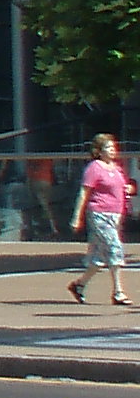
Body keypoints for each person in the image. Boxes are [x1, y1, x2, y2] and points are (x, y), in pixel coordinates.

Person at [69, 132, 128, 309]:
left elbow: (122, 189)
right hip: (99, 214)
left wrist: (129, 189)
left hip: (115, 215)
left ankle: (79, 285)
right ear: (99, 151)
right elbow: (84, 192)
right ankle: (118, 292)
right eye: (108, 147)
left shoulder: (116, 168)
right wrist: (77, 217)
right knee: (114, 248)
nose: (113, 150)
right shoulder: (94, 168)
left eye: (113, 147)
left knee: (98, 257)